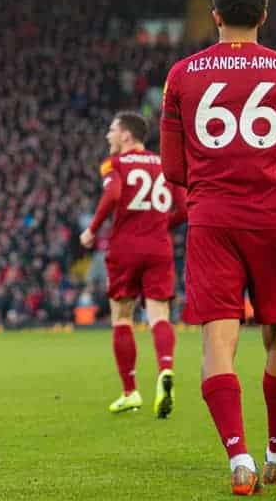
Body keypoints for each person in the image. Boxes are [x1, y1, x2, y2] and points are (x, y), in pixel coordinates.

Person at [160, 0, 276, 495]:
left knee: (217, 344)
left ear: (217, 17)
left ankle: (239, 459)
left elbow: (173, 169)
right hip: (274, 217)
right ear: (263, 18)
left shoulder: (181, 75)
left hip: (211, 221)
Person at [79, 112, 185, 417]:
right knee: (159, 314)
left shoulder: (115, 164)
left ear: (126, 135)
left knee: (122, 318)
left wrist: (92, 229)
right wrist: (163, 225)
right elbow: (186, 207)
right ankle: (165, 369)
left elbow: (112, 194)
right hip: (158, 247)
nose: (108, 136)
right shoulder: (165, 165)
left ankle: (130, 392)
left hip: (125, 246)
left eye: (112, 130)